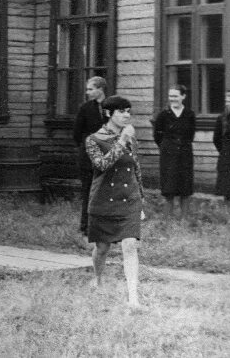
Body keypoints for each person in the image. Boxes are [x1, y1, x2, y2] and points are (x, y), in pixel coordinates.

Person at [85, 96, 143, 308]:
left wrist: (142, 201)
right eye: (121, 111)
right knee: (102, 248)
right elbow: (102, 165)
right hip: (103, 201)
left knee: (129, 245)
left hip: (129, 200)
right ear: (109, 114)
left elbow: (136, 170)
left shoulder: (130, 138)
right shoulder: (93, 139)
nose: (127, 115)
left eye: (128, 111)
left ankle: (133, 299)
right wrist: (121, 141)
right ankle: (98, 279)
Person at [153, 85, 195, 219]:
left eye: (176, 96)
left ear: (183, 96)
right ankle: (167, 222)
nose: (173, 99)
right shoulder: (163, 115)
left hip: (185, 155)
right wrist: (168, 147)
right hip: (168, 156)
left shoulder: (189, 114)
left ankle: (184, 221)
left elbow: (191, 135)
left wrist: (181, 146)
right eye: (171, 96)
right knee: (169, 188)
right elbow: (157, 136)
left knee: (185, 188)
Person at [73, 76, 107, 236]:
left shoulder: (112, 107)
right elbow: (77, 134)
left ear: (100, 89)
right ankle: (85, 226)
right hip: (88, 157)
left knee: (106, 191)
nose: (87, 92)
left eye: (90, 89)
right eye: (87, 89)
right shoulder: (85, 108)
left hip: (108, 156)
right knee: (88, 191)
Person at [213, 89, 230, 219]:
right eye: (226, 101)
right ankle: (228, 217)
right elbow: (216, 139)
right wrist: (225, 152)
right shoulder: (222, 118)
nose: (227, 103)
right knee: (227, 190)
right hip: (227, 160)